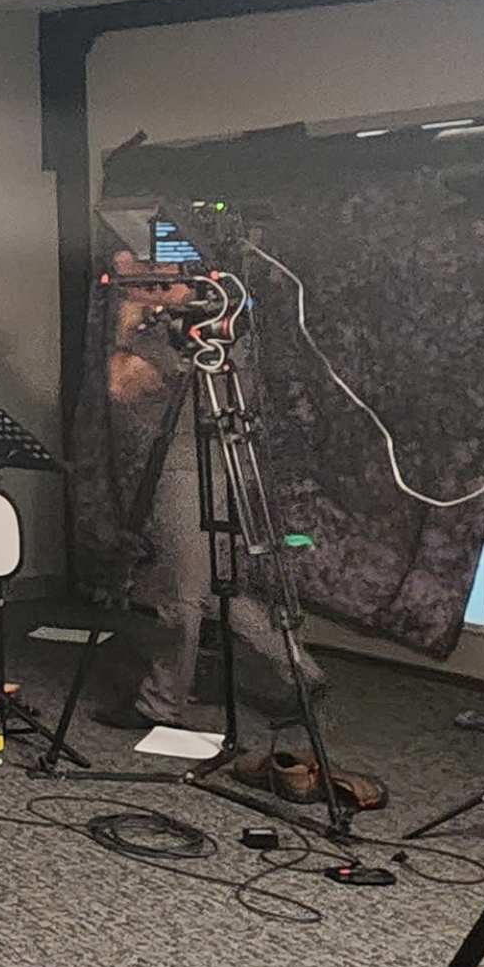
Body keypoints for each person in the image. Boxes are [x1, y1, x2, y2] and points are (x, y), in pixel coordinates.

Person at [92, 249, 383, 811]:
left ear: (170, 281)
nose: (135, 291)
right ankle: (298, 667)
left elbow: (122, 386)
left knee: (184, 594)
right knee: (218, 589)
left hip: (189, 466)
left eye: (143, 282)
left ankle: (160, 705)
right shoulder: (214, 318)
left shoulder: (189, 330)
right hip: (226, 460)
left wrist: (129, 323)